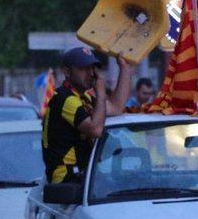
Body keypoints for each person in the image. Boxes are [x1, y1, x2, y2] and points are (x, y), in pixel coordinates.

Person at [42, 47, 132, 184]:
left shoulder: (84, 98)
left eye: (92, 68)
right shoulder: (64, 98)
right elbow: (95, 129)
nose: (91, 74)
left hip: (85, 173)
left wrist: (124, 69)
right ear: (67, 72)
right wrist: (100, 92)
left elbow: (117, 107)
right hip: (65, 179)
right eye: (83, 69)